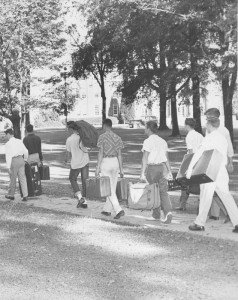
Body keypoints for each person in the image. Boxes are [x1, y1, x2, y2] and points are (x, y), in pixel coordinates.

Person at [186, 116, 238, 233]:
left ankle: (199, 223)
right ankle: (237, 222)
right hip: (221, 170)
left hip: (210, 169)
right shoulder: (222, 138)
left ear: (209, 125)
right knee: (226, 197)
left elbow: (198, 153)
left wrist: (190, 169)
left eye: (206, 124)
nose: (205, 126)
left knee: (205, 196)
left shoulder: (209, 138)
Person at [140, 121, 173, 224]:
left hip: (152, 168)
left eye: (145, 127)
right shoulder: (163, 141)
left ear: (149, 129)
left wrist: (142, 173)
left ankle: (156, 215)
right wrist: (169, 170)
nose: (144, 129)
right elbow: (166, 157)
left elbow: (145, 157)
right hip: (162, 168)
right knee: (163, 192)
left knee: (153, 192)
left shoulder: (147, 141)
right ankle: (168, 213)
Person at [205, 108, 233, 222]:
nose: (206, 119)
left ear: (214, 117)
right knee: (214, 190)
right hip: (212, 163)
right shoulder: (209, 129)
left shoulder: (223, 130)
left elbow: (229, 147)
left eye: (207, 117)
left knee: (217, 191)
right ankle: (215, 214)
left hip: (217, 165)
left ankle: (229, 214)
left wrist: (230, 162)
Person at [96, 118, 125, 219]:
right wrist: (121, 169)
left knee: (108, 188)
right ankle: (106, 210)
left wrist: (97, 168)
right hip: (115, 162)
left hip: (106, 162)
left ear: (104, 125)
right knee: (111, 186)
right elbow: (120, 155)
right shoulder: (118, 137)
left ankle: (118, 209)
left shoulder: (102, 137)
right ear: (111, 125)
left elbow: (100, 153)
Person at [176, 118, 204, 211]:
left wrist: (188, 165)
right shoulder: (200, 135)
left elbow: (190, 152)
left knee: (184, 182)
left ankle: (182, 205)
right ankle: (201, 204)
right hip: (201, 161)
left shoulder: (189, 136)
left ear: (186, 125)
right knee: (200, 183)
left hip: (193, 161)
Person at [65, 122, 89, 208]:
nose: (67, 130)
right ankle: (85, 202)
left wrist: (66, 160)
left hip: (76, 163)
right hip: (85, 161)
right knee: (84, 181)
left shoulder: (69, 139)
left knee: (72, 179)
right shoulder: (82, 137)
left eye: (68, 128)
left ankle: (80, 197)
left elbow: (68, 153)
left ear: (71, 129)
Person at [4, 128, 28, 201]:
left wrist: (8, 167)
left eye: (6, 135)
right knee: (22, 178)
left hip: (13, 160)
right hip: (21, 159)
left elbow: (8, 156)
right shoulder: (19, 141)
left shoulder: (8, 144)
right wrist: (25, 159)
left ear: (8, 134)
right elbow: (26, 151)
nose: (5, 136)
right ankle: (25, 195)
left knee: (13, 178)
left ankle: (11, 194)